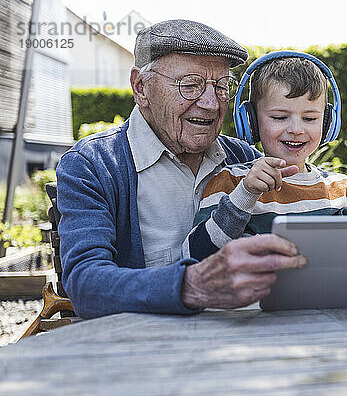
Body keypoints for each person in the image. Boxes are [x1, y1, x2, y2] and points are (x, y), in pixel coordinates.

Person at [56, 20, 308, 319]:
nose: (212, 104)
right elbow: (86, 286)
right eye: (191, 85)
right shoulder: (93, 164)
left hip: (242, 341)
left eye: (222, 87)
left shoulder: (244, 159)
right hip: (144, 350)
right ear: (141, 88)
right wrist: (192, 285)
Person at [183, 53, 347, 261]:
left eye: (310, 118)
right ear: (251, 122)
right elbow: (196, 258)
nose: (296, 129)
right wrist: (246, 194)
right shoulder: (230, 184)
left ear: (328, 122)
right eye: (279, 117)